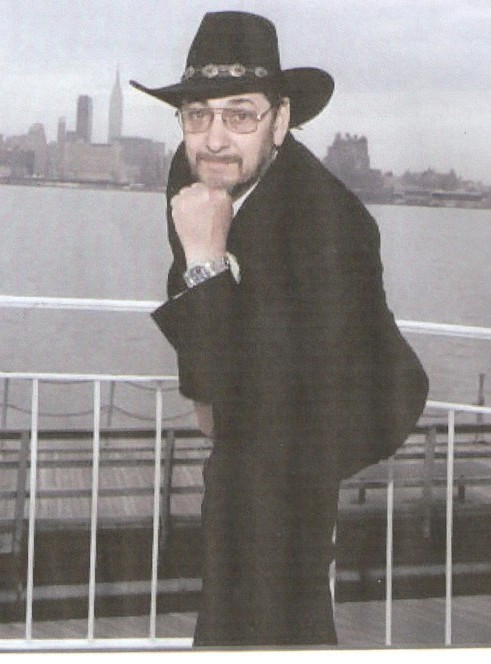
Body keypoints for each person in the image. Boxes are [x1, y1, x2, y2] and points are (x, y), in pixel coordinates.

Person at [131, 10, 428, 648]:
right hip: (249, 418)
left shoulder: (331, 224)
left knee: (279, 592)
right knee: (230, 581)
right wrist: (209, 388)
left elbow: (263, 389)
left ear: (281, 119)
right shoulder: (192, 174)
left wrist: (207, 261)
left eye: (240, 115)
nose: (214, 139)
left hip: (336, 414)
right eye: (197, 114)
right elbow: (213, 378)